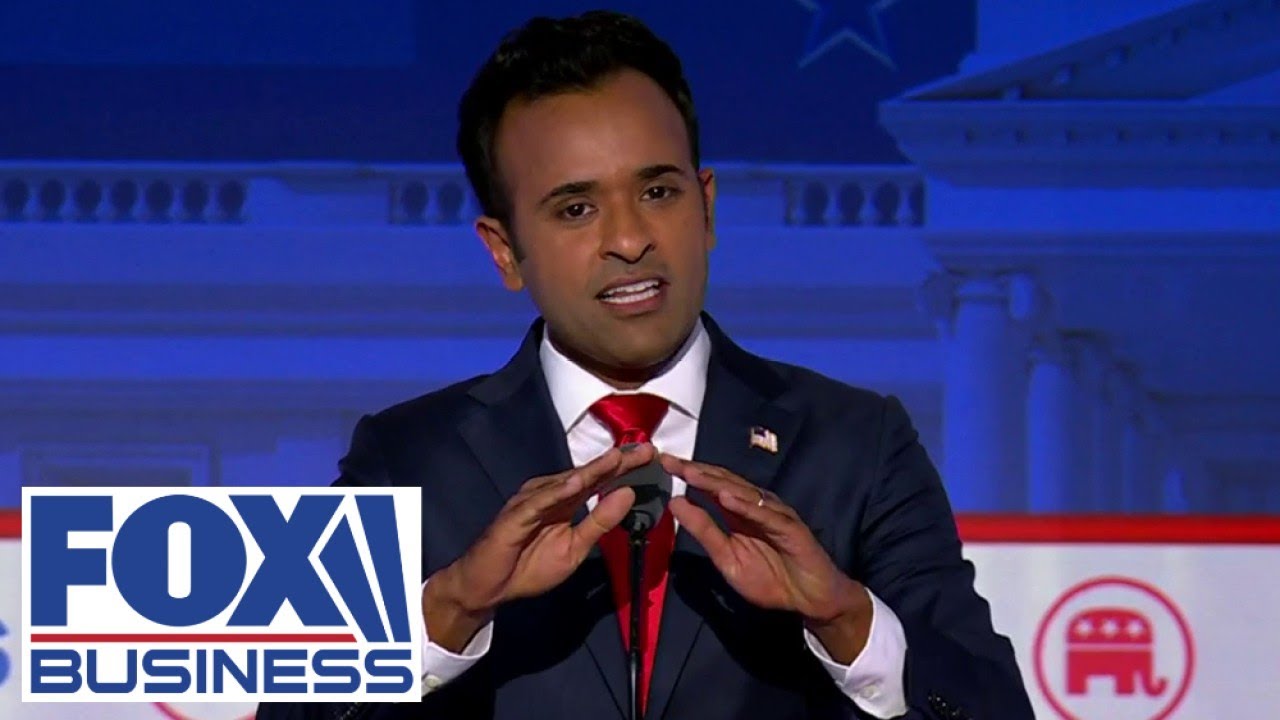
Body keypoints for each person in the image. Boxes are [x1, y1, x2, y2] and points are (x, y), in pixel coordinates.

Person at [257, 10, 1032, 720]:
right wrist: (448, 611)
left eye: (658, 191)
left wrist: (848, 621)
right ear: (504, 251)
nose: (629, 239)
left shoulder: (859, 443)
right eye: (576, 209)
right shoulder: (402, 457)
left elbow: (991, 707)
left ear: (707, 207)